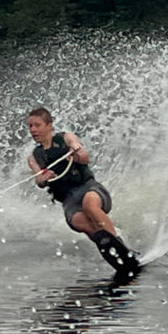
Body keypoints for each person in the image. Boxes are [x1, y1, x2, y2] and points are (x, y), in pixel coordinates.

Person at [27, 106, 140, 280]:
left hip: (89, 188)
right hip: (68, 200)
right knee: (81, 223)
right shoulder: (34, 157)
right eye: (31, 126)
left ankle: (120, 246)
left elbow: (85, 156)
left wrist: (76, 153)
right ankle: (113, 254)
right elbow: (39, 181)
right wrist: (44, 177)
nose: (33, 130)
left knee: (90, 206)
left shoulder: (66, 138)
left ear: (49, 125)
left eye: (37, 125)